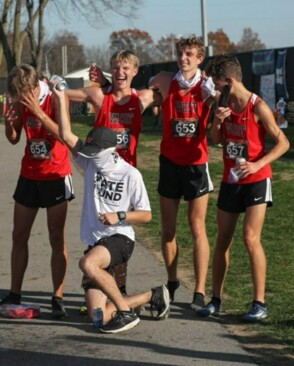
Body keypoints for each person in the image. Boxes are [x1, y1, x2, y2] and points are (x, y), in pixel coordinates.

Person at [94, 37, 217, 309]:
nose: (183, 58)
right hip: (170, 163)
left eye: (189, 54)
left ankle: (198, 291)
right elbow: (131, 97)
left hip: (197, 165)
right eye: (180, 53)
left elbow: (217, 122)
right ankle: (172, 283)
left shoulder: (207, 86)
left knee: (197, 228)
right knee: (168, 230)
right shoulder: (163, 79)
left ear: (200, 58)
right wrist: (105, 85)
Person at [49, 84, 169, 333]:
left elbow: (147, 215)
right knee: (98, 318)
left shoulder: (130, 174)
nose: (89, 155)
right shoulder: (92, 162)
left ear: (111, 150)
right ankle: (152, 296)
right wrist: (60, 97)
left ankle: (125, 313)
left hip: (119, 239)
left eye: (95, 151)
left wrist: (120, 215)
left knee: (88, 264)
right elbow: (66, 134)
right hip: (97, 243)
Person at [197, 55, 290, 321]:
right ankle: (215, 299)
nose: (215, 89)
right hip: (231, 179)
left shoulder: (257, 106)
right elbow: (215, 139)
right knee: (223, 239)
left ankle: (259, 303)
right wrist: (217, 120)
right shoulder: (221, 102)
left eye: (217, 84)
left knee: (250, 238)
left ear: (230, 81)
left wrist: (258, 164)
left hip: (257, 179)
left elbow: (283, 143)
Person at [67, 51, 161, 296]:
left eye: (126, 68)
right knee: (96, 224)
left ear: (135, 71)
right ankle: (99, 286)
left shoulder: (142, 98)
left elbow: (168, 90)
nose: (121, 72)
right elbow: (64, 95)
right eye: (116, 68)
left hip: (126, 174)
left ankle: (118, 290)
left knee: (121, 228)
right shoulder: (100, 96)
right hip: (100, 171)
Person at [0, 64, 73, 319]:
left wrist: (39, 112)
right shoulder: (20, 99)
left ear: (34, 86)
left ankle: (57, 296)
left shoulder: (56, 96)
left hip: (56, 174)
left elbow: (64, 136)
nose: (20, 98)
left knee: (56, 236)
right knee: (19, 235)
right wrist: (9, 125)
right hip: (29, 174)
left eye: (23, 93)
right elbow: (15, 138)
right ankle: (14, 292)